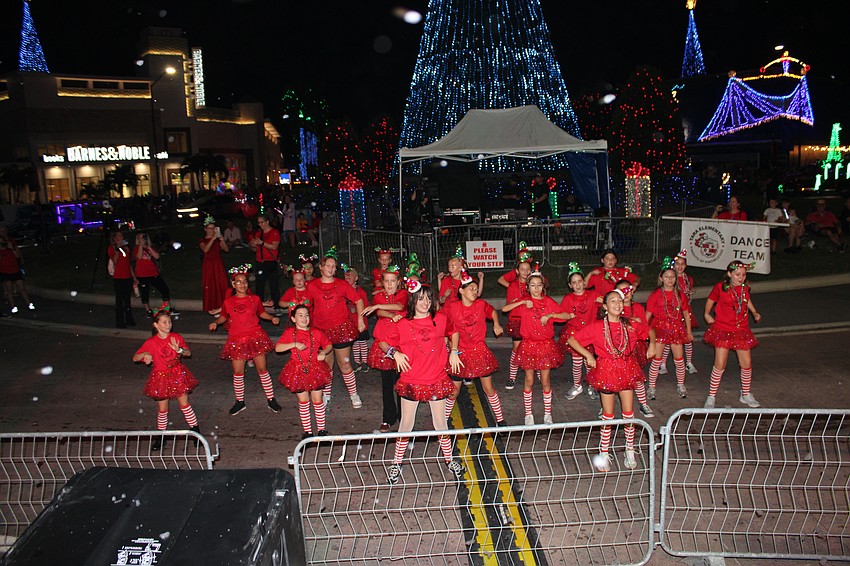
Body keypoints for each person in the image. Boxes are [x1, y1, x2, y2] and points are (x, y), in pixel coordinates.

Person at [379, 280, 464, 485]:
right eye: (420, 299)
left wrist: (453, 351)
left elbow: (454, 332)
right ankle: (396, 463)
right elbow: (382, 341)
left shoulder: (441, 319)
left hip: (436, 379)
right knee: (406, 424)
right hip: (411, 379)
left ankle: (450, 459)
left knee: (440, 423)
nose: (425, 303)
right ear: (413, 301)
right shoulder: (402, 323)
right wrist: (394, 353)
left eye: (428, 298)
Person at [568, 289, 656, 472]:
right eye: (613, 301)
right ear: (606, 307)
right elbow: (572, 340)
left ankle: (629, 449)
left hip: (626, 368)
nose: (617, 304)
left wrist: (652, 345)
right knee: (608, 415)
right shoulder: (597, 326)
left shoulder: (630, 325)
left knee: (628, 413)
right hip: (606, 370)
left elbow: (650, 331)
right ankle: (604, 451)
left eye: (620, 301)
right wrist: (588, 355)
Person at [209, 265, 283, 415]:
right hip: (236, 339)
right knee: (238, 372)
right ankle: (239, 401)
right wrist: (215, 323)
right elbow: (223, 317)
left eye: (245, 282)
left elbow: (261, 313)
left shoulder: (254, 299)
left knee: (262, 369)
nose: (242, 284)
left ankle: (271, 399)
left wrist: (272, 318)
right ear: (233, 284)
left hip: (255, 336)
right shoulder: (228, 302)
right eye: (239, 282)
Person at [501, 268, 570, 425]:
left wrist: (550, 315)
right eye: (533, 285)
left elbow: (567, 315)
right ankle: (528, 414)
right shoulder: (525, 302)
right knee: (529, 380)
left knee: (545, 381)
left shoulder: (548, 302)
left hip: (545, 345)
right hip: (528, 345)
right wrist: (522, 301)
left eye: (539, 285)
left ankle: (547, 413)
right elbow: (505, 309)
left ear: (543, 287)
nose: (536, 288)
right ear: (528, 287)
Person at [305, 247, 367, 409]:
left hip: (340, 328)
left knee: (345, 364)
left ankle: (353, 394)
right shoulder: (312, 286)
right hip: (321, 331)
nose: (331, 269)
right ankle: (326, 394)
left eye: (334, 266)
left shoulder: (341, 284)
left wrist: (360, 320)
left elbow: (358, 300)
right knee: (326, 365)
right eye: (328, 266)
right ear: (321, 267)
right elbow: (306, 305)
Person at [132, 305, 200, 451]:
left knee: (185, 404)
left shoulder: (176, 337)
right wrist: (145, 355)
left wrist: (179, 350)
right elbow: (135, 357)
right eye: (164, 322)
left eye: (169, 321)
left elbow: (188, 353)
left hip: (177, 374)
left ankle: (196, 432)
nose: (168, 324)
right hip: (161, 376)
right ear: (156, 325)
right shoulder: (151, 342)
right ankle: (161, 436)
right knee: (162, 409)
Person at [443, 270, 506, 427]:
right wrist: (445, 339)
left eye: (476, 289)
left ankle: (500, 419)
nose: (475, 291)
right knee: (453, 392)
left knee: (488, 388)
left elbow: (492, 312)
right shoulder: (452, 307)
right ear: (461, 290)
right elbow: (441, 320)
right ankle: (442, 422)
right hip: (459, 353)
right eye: (471, 288)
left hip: (479, 351)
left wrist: (497, 324)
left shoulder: (481, 304)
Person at [703, 260, 762, 409]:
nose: (741, 277)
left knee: (746, 363)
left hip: (741, 329)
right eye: (737, 275)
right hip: (723, 328)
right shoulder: (720, 288)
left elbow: (747, 301)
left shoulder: (745, 288)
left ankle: (746, 394)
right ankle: (711, 395)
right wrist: (706, 314)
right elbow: (711, 300)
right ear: (729, 274)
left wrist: (754, 312)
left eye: (743, 275)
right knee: (720, 364)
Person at [274, 303, 333, 439]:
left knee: (317, 400)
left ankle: (322, 430)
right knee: (303, 401)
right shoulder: (290, 333)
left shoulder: (316, 332)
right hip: (297, 370)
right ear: (294, 319)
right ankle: (308, 431)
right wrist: (294, 344)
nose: (304, 318)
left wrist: (323, 352)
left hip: (315, 369)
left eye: (306, 315)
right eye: (300, 315)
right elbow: (278, 348)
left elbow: (328, 344)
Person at [362, 265, 407, 432]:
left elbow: (400, 307)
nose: (389, 285)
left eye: (392, 281)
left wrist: (379, 309)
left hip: (402, 343)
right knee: (387, 384)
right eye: (386, 281)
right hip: (384, 342)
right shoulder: (379, 296)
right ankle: (388, 417)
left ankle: (404, 418)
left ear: (398, 282)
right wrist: (382, 311)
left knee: (402, 383)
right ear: (382, 283)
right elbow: (381, 312)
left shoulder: (403, 294)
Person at [645, 257, 693, 399]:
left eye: (672, 277)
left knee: (679, 359)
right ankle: (652, 387)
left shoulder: (680, 294)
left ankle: (680, 384)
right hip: (659, 328)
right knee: (657, 360)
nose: (670, 279)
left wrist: (688, 330)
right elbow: (648, 314)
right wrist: (643, 331)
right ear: (661, 278)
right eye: (667, 277)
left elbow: (685, 313)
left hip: (676, 329)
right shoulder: (656, 295)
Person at [559, 263, 602, 401]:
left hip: (591, 332)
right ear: (570, 285)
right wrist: (565, 315)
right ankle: (577, 385)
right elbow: (562, 314)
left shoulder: (593, 294)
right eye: (574, 283)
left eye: (580, 281)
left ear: (585, 282)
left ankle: (591, 384)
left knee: (589, 361)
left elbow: (607, 302)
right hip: (574, 333)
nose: (577, 285)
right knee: (577, 361)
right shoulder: (568, 298)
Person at [615, 279, 655, 418]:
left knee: (636, 375)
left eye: (628, 290)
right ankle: (608, 407)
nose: (626, 294)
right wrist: (632, 321)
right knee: (614, 377)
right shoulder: (615, 307)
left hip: (634, 346)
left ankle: (643, 403)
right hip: (617, 347)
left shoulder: (637, 307)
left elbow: (644, 327)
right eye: (622, 291)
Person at [658, 250, 698, 375]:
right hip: (672, 313)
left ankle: (689, 362)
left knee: (687, 338)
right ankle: (662, 363)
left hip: (685, 311)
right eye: (677, 264)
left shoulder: (688, 279)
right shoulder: (671, 278)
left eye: (682, 264)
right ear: (673, 265)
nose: (680, 266)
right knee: (668, 340)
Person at [502, 248, 533, 390]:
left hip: (531, 320)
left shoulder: (534, 283)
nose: (525, 272)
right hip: (517, 320)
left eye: (528, 269)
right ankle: (512, 376)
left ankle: (536, 372)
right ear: (517, 271)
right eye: (522, 269)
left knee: (533, 347)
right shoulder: (513, 285)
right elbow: (509, 304)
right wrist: (520, 301)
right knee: (516, 348)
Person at [133, 232, 177, 318]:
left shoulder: (151, 247)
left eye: (144, 237)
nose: (142, 239)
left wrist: (148, 246)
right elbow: (138, 257)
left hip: (153, 273)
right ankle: (148, 310)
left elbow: (157, 256)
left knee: (164, 289)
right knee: (144, 292)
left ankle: (167, 308)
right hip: (142, 275)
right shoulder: (136, 248)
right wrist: (141, 246)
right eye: (140, 238)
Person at [249, 215, 283, 309]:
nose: (260, 225)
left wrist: (262, 243)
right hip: (260, 262)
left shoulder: (274, 232)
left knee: (273, 285)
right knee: (259, 286)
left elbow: (274, 246)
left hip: (271, 262)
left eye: (262, 222)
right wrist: (252, 245)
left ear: (267, 222)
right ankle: (259, 307)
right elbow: (255, 250)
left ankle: (276, 306)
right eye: (259, 223)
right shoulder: (258, 234)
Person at [342, 264, 371, 372]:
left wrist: (358, 310)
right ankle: (357, 362)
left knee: (362, 342)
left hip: (360, 321)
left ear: (356, 278)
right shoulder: (343, 291)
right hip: (350, 323)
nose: (347, 278)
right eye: (345, 276)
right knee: (354, 342)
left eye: (350, 276)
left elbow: (366, 306)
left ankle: (364, 361)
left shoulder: (361, 292)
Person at [199, 216, 229, 316]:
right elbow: (205, 250)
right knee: (211, 285)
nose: (212, 230)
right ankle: (211, 307)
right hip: (208, 265)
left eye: (213, 228)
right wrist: (213, 238)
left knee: (221, 284)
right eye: (210, 228)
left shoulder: (217, 239)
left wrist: (222, 240)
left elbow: (226, 250)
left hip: (218, 263)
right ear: (205, 229)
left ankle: (222, 307)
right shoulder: (202, 239)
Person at [0, 227, 34, 315]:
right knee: (9, 290)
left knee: (21, 288)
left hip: (15, 269)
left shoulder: (11, 242)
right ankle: (13, 307)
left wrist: (11, 248)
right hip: (5, 271)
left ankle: (29, 304)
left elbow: (17, 256)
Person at [108, 230, 137, 328]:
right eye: (118, 236)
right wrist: (118, 249)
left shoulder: (126, 249)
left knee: (127, 300)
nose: (121, 238)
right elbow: (115, 261)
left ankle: (129, 319)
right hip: (118, 277)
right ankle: (120, 322)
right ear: (114, 238)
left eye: (122, 236)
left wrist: (134, 277)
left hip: (127, 277)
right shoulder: (111, 248)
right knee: (119, 300)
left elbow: (128, 264)